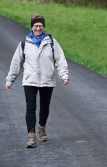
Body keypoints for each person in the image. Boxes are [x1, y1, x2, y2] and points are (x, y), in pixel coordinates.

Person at [5, 13, 69, 148]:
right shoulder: (24, 43)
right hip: (30, 80)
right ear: (32, 27)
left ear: (43, 26)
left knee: (44, 108)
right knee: (30, 108)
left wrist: (64, 75)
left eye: (40, 26)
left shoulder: (51, 42)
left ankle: (41, 127)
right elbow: (16, 62)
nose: (38, 28)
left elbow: (60, 59)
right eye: (36, 26)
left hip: (47, 79)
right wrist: (10, 80)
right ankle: (31, 136)